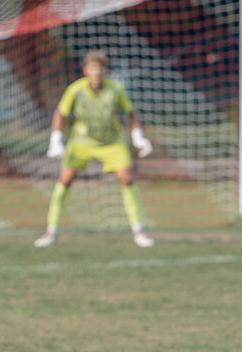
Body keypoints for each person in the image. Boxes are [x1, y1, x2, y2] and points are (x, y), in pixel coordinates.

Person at [34, 50, 155, 248]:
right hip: (82, 142)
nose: (96, 72)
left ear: (105, 71)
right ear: (85, 71)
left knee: (127, 178)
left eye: (100, 68)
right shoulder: (76, 90)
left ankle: (138, 231)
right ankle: (51, 231)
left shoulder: (115, 89)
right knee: (65, 180)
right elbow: (60, 113)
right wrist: (56, 139)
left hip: (112, 141)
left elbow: (131, 112)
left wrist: (138, 137)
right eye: (92, 68)